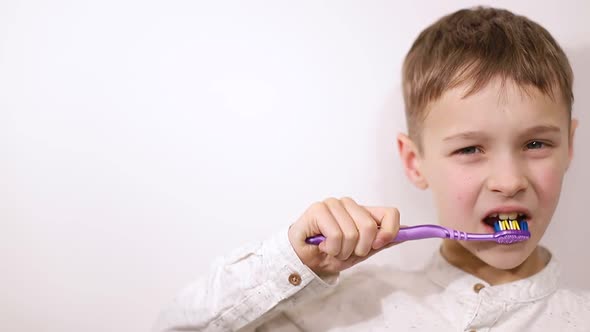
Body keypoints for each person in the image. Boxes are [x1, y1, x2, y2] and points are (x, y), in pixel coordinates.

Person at [154, 6, 590, 331]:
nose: (510, 181)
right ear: (413, 162)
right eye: (471, 149)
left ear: (569, 147)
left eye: (536, 143)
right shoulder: (346, 308)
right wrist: (292, 261)